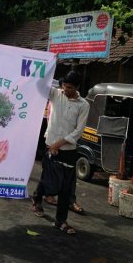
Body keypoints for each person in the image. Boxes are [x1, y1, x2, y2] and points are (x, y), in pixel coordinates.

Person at [31, 71, 89, 235]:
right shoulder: (56, 94)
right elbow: (39, 85)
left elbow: (79, 131)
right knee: (48, 179)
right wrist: (50, 65)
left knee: (65, 188)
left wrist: (59, 143)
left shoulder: (84, 105)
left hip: (68, 150)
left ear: (77, 87)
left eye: (69, 87)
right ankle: (37, 200)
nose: (65, 90)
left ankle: (60, 221)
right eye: (64, 86)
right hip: (50, 146)